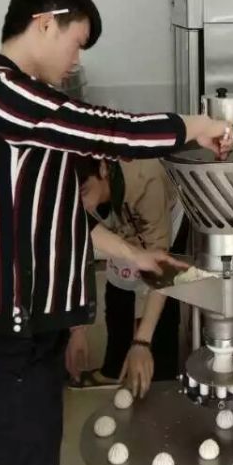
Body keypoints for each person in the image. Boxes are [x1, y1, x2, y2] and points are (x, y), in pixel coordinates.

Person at [0, 0, 233, 465]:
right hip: (6, 333)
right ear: (44, 23)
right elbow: (105, 129)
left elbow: (60, 220)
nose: (76, 60)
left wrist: (137, 255)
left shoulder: (26, 114)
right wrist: (195, 125)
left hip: (32, 333)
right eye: (76, 42)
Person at [66, 156, 187, 396]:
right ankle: (115, 366)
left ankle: (161, 374)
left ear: (103, 168)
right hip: (118, 214)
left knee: (162, 294)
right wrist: (76, 328)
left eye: (85, 192)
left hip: (162, 213)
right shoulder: (75, 191)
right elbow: (74, 254)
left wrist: (142, 342)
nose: (83, 203)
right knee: (119, 285)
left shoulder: (147, 181)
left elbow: (161, 271)